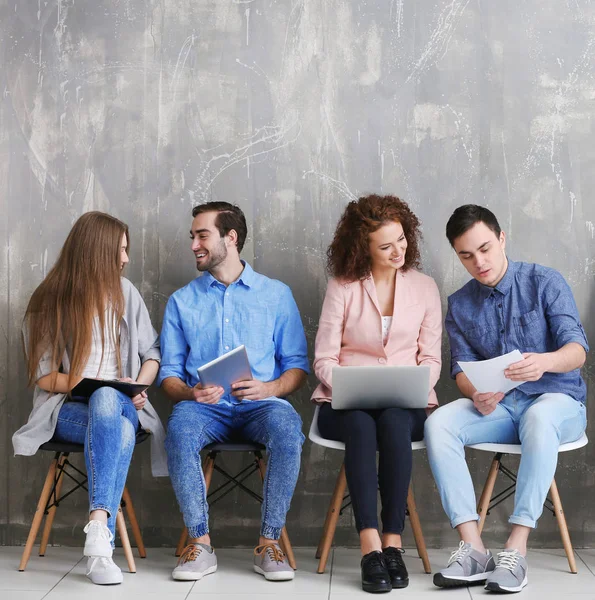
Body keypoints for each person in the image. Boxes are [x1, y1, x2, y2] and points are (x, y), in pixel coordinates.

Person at [425, 204, 588, 594]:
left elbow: (578, 350)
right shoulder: (461, 302)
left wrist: (544, 362)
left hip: (558, 403)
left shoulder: (545, 281)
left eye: (484, 248)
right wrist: (475, 394)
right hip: (501, 407)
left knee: (539, 418)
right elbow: (460, 372)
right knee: (438, 423)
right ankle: (474, 547)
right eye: (466, 255)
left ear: (501, 238)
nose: (478, 262)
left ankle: (516, 549)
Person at [13, 211, 167, 586]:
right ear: (97, 250)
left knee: (108, 401)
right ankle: (101, 540)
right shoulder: (50, 300)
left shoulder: (126, 292)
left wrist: (139, 385)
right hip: (66, 412)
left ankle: (97, 527)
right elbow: (44, 375)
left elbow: (152, 354)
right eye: (121, 250)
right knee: (107, 408)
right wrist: (87, 382)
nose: (127, 259)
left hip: (127, 406)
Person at [159, 201, 309, 583]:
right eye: (192, 236)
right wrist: (192, 393)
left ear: (231, 237)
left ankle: (269, 543)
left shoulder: (276, 295)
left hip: (261, 407)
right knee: (180, 429)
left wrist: (269, 387)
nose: (194, 244)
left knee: (287, 427)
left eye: (202, 235)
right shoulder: (182, 301)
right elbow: (169, 375)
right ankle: (200, 543)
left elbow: (297, 367)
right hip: (205, 410)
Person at [311, 195, 442, 593]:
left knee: (395, 420)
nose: (398, 250)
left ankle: (393, 543)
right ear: (361, 247)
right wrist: (347, 384)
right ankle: (370, 545)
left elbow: (431, 358)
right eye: (386, 246)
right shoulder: (343, 287)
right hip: (345, 401)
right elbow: (323, 359)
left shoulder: (424, 287)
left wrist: (414, 384)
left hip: (405, 402)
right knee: (361, 426)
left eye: (401, 240)